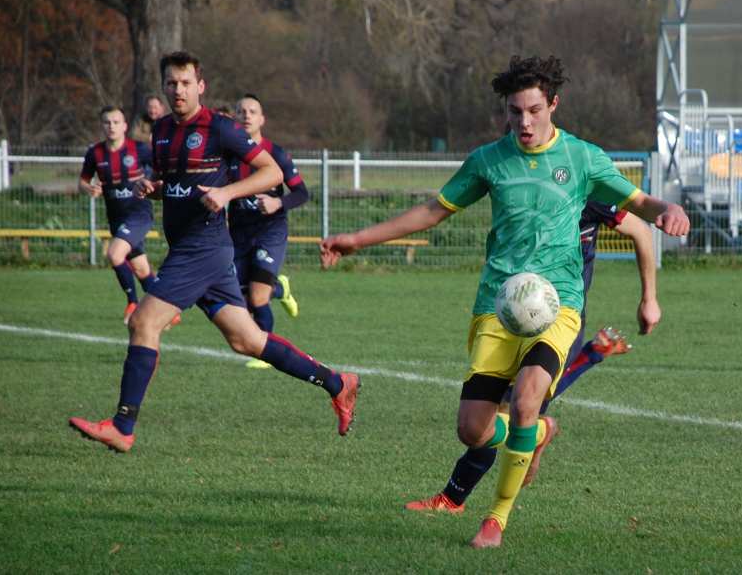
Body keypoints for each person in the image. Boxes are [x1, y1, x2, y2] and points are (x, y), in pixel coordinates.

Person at [320, 55, 689, 549]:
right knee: (472, 430)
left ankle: (495, 519)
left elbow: (639, 205)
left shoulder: (582, 158)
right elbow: (433, 211)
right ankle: (535, 435)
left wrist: (668, 208)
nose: (525, 122)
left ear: (553, 104)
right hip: (499, 308)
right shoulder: (489, 161)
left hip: (558, 305)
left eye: (534, 110)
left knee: (527, 400)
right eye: (515, 112)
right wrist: (358, 240)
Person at [69, 51, 359, 454]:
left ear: (200, 86)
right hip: (193, 250)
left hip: (202, 250)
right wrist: (154, 186)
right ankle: (337, 382)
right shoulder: (163, 129)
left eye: (186, 83)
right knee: (248, 341)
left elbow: (272, 173)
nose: (178, 90)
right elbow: (174, 178)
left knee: (144, 323)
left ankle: (122, 425)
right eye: (171, 83)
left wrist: (226, 192)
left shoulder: (219, 128)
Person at [404, 202, 658, 515]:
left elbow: (640, 229)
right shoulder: (528, 184)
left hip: (561, 317)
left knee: (511, 409)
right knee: (494, 413)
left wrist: (649, 299)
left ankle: (462, 500)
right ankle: (536, 432)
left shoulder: (589, 190)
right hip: (513, 313)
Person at [230, 93, 309, 369]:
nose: (247, 115)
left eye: (252, 111)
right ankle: (281, 288)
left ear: (262, 119)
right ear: (234, 117)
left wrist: (278, 202)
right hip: (238, 235)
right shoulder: (227, 154)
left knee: (257, 296)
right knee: (237, 299)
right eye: (241, 111)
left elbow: (302, 193)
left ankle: (267, 353)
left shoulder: (276, 154)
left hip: (270, 232)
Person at [78, 106, 166, 324]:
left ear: (125, 126)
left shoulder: (139, 150)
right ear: (102, 126)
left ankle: (133, 303)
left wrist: (155, 183)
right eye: (107, 122)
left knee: (115, 255)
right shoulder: (95, 153)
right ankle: (167, 309)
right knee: (141, 268)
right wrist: (88, 188)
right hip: (116, 218)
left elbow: (160, 168)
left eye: (116, 122)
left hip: (139, 214)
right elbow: (82, 181)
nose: (111, 127)